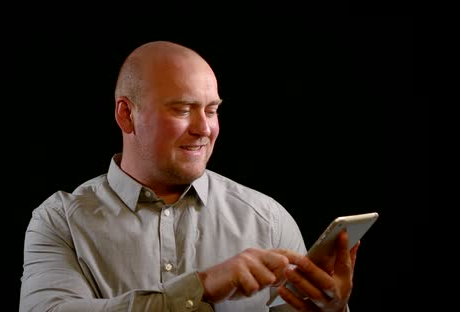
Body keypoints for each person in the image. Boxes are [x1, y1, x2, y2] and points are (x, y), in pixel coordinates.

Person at [19, 40, 359, 312]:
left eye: (211, 110)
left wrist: (327, 310)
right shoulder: (60, 222)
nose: (204, 129)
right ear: (127, 115)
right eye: (182, 109)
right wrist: (203, 285)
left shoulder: (268, 219)